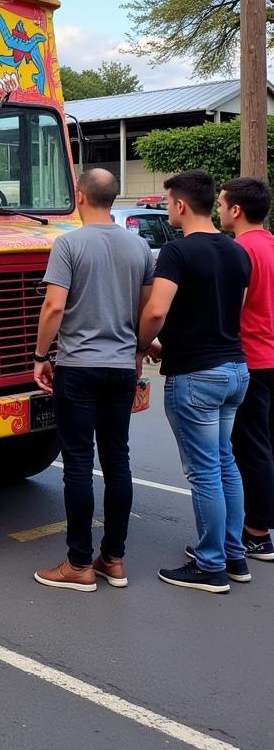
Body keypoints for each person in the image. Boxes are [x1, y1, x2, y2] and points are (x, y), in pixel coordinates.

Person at [31, 168, 154, 592]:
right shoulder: (139, 247)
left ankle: (78, 564)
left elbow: (53, 308)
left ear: (79, 196)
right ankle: (113, 560)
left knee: (79, 465)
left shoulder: (68, 245)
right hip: (121, 367)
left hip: (79, 367)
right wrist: (137, 351)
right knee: (117, 460)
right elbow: (144, 311)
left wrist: (40, 355)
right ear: (113, 198)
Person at [138, 170, 252, 593]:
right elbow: (226, 313)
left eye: (169, 204)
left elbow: (155, 311)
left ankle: (210, 566)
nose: (168, 210)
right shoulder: (237, 252)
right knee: (225, 463)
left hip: (196, 377)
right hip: (234, 370)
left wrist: (142, 345)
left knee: (204, 471)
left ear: (181, 206)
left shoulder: (176, 252)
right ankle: (233, 554)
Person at [218, 176, 274, 562]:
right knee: (265, 446)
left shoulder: (240, 250)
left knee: (248, 449)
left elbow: (230, 309)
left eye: (221, 204)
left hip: (251, 358)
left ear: (236, 210)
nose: (219, 210)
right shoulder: (271, 245)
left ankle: (256, 533)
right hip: (271, 357)